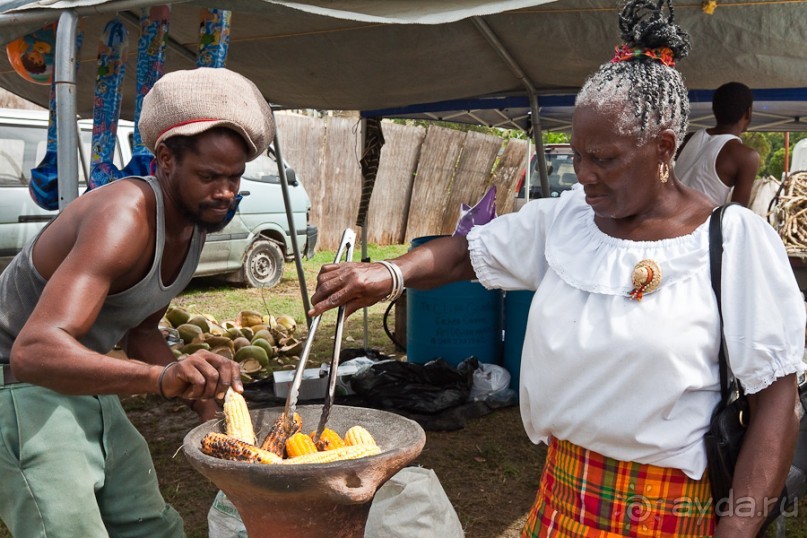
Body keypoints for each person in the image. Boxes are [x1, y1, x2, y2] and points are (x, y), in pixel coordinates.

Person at [307, 1, 806, 536]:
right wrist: (389, 273)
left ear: (664, 147)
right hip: (561, 497)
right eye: (578, 155)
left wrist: (737, 528)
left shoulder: (733, 242)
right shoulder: (568, 220)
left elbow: (776, 401)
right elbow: (464, 253)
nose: (584, 174)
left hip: (666, 511)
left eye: (604, 158)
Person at [0, 67, 274, 537]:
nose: (226, 193)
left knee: (152, 528)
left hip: (79, 377)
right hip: (16, 388)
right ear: (165, 159)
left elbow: (142, 330)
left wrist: (208, 408)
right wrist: (161, 379)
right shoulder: (123, 217)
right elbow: (33, 352)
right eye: (209, 176)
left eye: (235, 177)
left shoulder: (193, 222)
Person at [674, 81, 761, 206]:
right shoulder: (746, 157)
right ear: (748, 112)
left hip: (667, 216)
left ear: (714, 109)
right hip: (701, 219)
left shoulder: (687, 138)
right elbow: (738, 212)